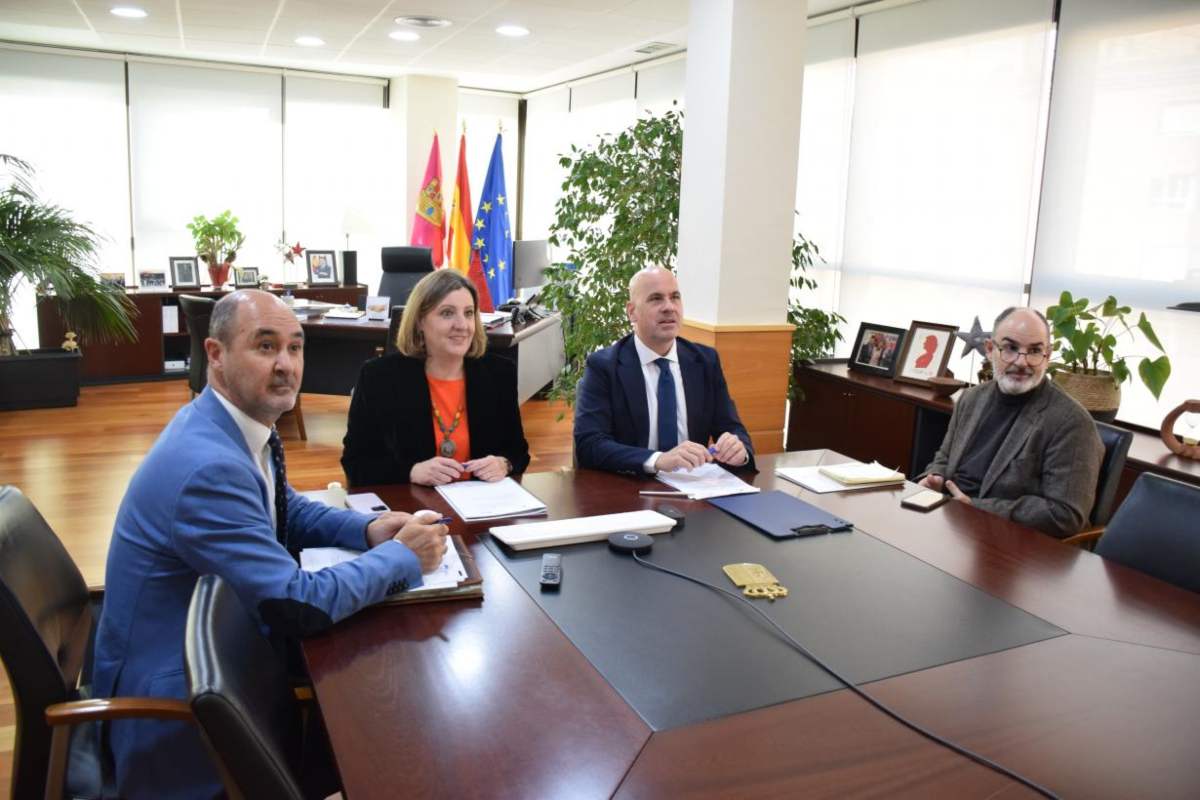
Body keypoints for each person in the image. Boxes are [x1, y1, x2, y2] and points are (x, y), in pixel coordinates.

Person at [93, 289, 449, 799]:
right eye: (265, 346)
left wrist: (365, 530)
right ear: (215, 355)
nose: (286, 364)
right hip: (184, 712)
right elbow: (297, 603)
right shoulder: (207, 467)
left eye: (295, 347)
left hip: (225, 659)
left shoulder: (231, 423)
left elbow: (282, 507)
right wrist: (401, 557)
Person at [917, 307, 1103, 538]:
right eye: (1010, 348)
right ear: (989, 349)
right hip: (947, 524)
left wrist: (974, 507)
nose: (1021, 362)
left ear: (1048, 354)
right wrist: (935, 477)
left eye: (1035, 350)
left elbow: (1064, 514)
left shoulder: (1072, 422)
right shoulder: (971, 398)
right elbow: (944, 458)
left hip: (1005, 543)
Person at [341, 269, 530, 487]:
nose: (462, 325)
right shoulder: (379, 377)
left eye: (469, 313)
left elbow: (519, 452)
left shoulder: (499, 373)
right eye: (447, 313)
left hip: (483, 508)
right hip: (414, 511)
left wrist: (504, 463)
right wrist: (410, 472)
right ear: (420, 321)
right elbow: (355, 463)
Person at [574, 266, 755, 474]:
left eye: (675, 297)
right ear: (632, 312)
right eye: (656, 299)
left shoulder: (705, 361)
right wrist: (658, 460)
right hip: (629, 489)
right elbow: (590, 445)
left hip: (694, 489)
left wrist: (738, 451)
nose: (669, 307)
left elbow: (732, 429)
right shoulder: (604, 366)